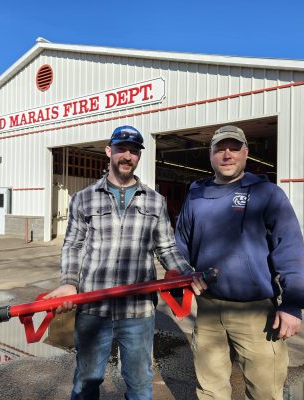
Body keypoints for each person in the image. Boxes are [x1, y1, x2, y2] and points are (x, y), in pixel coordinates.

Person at [45, 125, 207, 400]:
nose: (127, 156)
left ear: (139, 156)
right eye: (121, 149)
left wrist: (185, 274)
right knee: (86, 382)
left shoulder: (155, 201)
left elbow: (166, 247)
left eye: (134, 151)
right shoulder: (84, 198)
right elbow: (73, 244)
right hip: (94, 306)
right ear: (109, 151)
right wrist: (69, 283)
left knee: (140, 384)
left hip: (138, 311)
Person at [175, 125, 304, 400]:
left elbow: (290, 249)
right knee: (210, 389)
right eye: (220, 149)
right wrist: (186, 274)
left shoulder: (266, 193)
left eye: (234, 148)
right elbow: (180, 246)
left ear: (246, 153)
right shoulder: (196, 195)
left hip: (256, 314)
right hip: (209, 309)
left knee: (265, 391)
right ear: (210, 154)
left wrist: (293, 304)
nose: (227, 154)